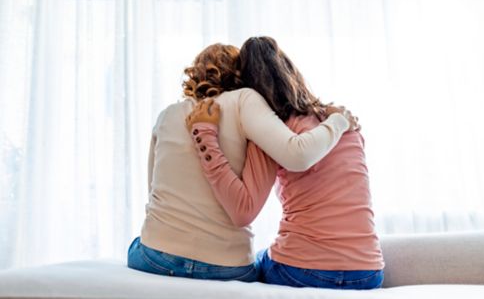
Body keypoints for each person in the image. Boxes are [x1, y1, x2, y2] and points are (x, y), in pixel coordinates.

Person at [127, 43, 352, 282]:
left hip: (156, 257)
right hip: (226, 265)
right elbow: (296, 154)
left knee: (137, 244)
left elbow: (153, 192)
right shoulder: (246, 100)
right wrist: (339, 120)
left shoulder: (167, 114)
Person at [186, 36, 385, 289]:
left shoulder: (271, 132)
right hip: (368, 271)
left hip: (302, 269)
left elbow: (243, 210)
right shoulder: (345, 124)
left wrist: (206, 137)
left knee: (253, 263)